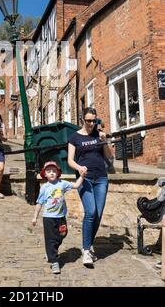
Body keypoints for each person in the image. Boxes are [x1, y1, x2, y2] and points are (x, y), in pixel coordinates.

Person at [68, 107, 114, 267]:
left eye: (94, 120)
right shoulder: (74, 137)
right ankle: (86, 250)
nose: (91, 124)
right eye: (88, 121)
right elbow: (70, 160)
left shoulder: (98, 134)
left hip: (101, 177)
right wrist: (79, 168)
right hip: (84, 178)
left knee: (99, 214)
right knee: (91, 211)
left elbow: (108, 156)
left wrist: (104, 141)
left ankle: (88, 244)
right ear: (82, 120)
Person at [32, 161, 84, 275]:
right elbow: (39, 203)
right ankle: (54, 260)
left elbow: (76, 185)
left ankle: (51, 250)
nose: (51, 173)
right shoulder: (44, 188)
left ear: (58, 173)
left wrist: (82, 176)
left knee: (62, 235)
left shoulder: (62, 184)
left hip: (60, 217)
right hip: (48, 218)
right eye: (48, 171)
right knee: (51, 239)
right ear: (44, 174)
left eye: (54, 171)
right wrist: (35, 217)